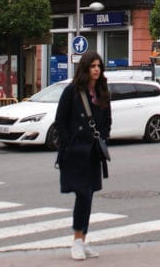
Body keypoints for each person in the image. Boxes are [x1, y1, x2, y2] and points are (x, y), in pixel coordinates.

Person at [54, 51, 112, 261]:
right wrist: (68, 144)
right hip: (76, 152)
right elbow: (60, 120)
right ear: (85, 68)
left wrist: (103, 137)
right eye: (93, 66)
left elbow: (107, 120)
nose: (96, 69)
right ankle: (77, 241)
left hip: (93, 152)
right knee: (83, 195)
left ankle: (82, 239)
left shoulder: (102, 91)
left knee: (88, 195)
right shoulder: (72, 91)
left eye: (99, 66)